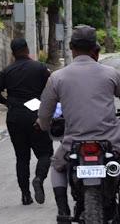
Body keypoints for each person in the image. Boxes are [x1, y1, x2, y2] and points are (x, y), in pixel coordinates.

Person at [37, 25, 120, 223]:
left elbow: (45, 113)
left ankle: (63, 208)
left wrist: (42, 125)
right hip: (111, 141)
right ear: (97, 51)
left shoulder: (57, 77)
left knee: (57, 166)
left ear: (72, 49)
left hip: (74, 143)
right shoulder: (111, 73)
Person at [0, 38, 53, 206]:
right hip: (36, 114)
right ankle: (39, 178)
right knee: (45, 153)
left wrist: (7, 102)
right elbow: (53, 88)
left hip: (15, 116)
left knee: (22, 157)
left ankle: (25, 195)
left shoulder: (7, 71)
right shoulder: (40, 68)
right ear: (27, 49)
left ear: (12, 53)